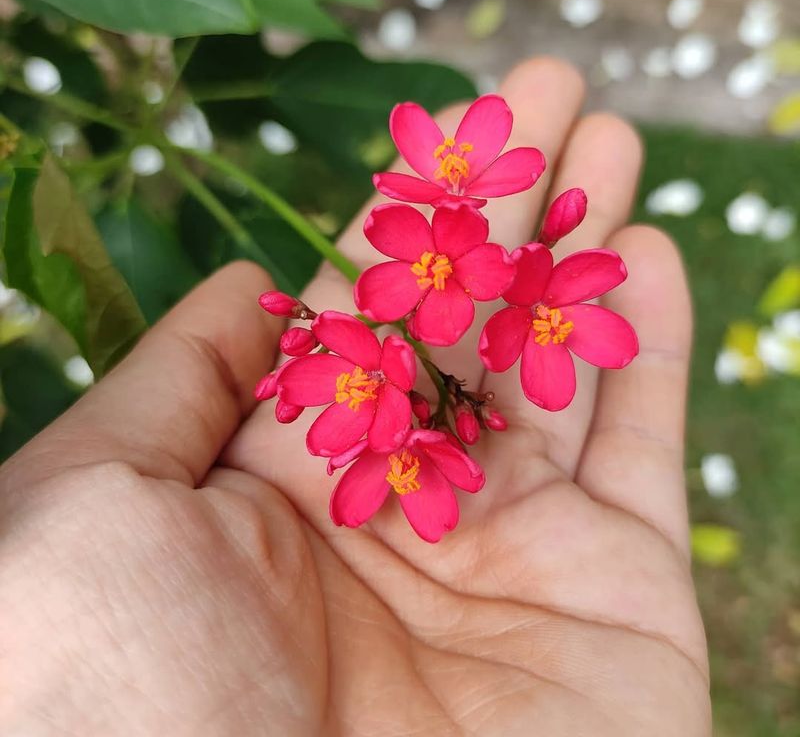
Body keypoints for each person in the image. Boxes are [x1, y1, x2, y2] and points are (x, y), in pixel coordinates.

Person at [0, 57, 711, 736]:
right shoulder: (386, 331)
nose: (452, 171)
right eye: (448, 165)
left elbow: (485, 300)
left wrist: (443, 347)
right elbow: (376, 322)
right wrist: (394, 394)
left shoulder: (476, 293)